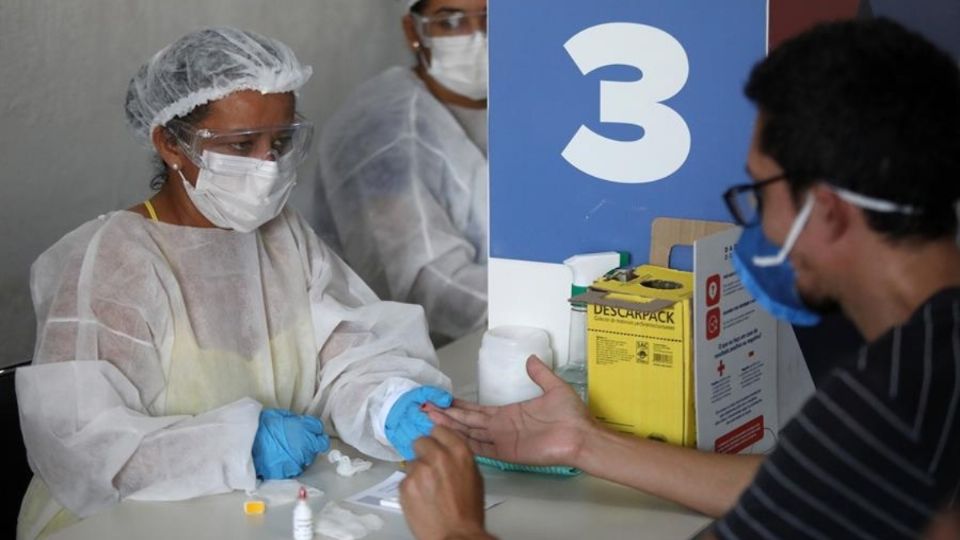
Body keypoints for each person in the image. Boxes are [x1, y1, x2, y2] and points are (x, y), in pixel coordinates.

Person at [401, 17, 960, 540]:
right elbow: (819, 490)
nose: (756, 222)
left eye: (761, 192)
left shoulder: (896, 402)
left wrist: (458, 530)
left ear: (829, 212)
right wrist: (584, 442)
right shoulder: (928, 367)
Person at [16, 27, 454, 540]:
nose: (267, 166)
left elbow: (346, 351)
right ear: (171, 144)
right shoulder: (112, 261)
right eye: (241, 144)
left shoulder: (283, 235)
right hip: (119, 523)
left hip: (259, 510)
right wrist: (236, 445)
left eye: (282, 142)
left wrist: (386, 402)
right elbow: (81, 447)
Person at [315, 0, 488, 344]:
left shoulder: (524, 101)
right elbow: (428, 288)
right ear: (413, 30)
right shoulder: (383, 131)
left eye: (491, 19)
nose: (477, 37)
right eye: (450, 21)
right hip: (434, 355)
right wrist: (545, 302)